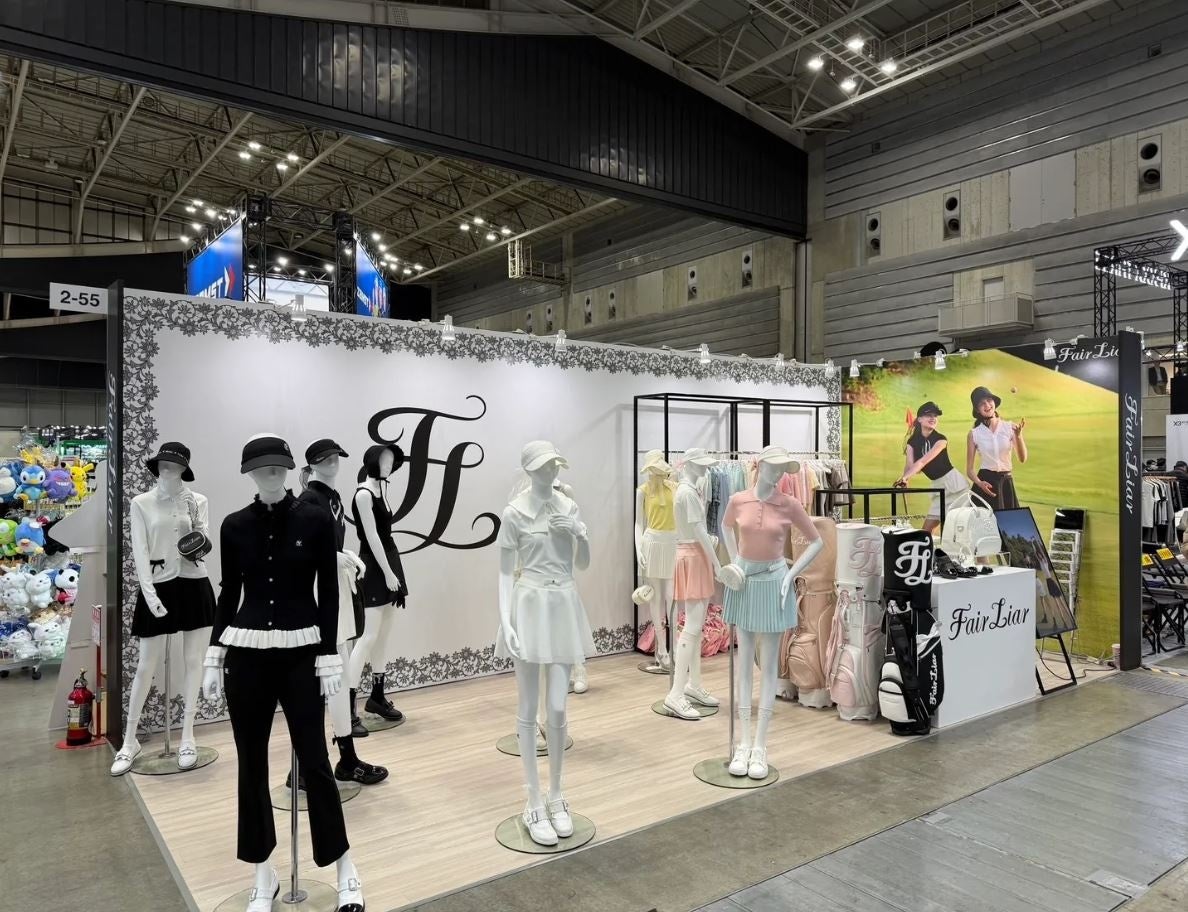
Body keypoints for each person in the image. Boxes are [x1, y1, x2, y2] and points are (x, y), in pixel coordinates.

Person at [894, 402, 970, 533]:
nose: (933, 418)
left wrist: (905, 477)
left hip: (956, 488)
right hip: (938, 487)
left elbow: (923, 462)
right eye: (929, 415)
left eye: (935, 416)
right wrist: (905, 479)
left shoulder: (941, 439)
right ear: (919, 419)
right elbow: (910, 465)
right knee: (926, 531)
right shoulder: (912, 442)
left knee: (954, 531)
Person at [965, 386, 1027, 511]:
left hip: (1006, 484)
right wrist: (979, 483)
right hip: (986, 483)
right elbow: (969, 470)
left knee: (1008, 522)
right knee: (984, 522)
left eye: (989, 400)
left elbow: (1022, 459)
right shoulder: (974, 434)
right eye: (982, 403)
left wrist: (1018, 436)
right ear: (977, 409)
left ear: (994, 403)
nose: (987, 405)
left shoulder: (1010, 427)